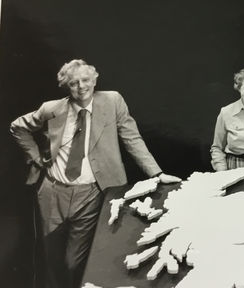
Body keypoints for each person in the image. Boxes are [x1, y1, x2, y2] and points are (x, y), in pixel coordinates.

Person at [10, 59, 181, 288]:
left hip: (92, 193)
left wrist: (156, 173)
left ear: (95, 79)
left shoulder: (112, 101)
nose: (81, 87)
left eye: (86, 80)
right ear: (65, 86)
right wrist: (35, 156)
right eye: (73, 83)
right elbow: (18, 127)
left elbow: (132, 138)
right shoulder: (51, 109)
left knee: (75, 263)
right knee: (51, 260)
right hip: (52, 193)